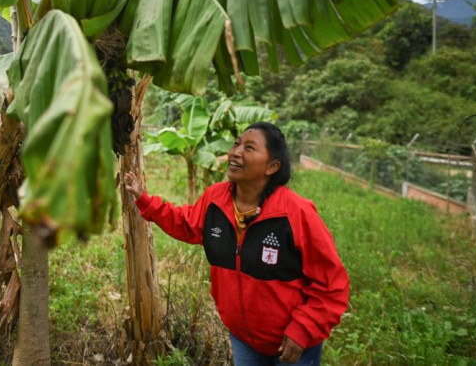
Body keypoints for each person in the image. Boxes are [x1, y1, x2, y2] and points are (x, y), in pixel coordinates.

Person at [124, 122, 349, 365]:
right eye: (236, 144)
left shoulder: (296, 213)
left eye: (249, 148)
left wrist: (304, 329)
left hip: (293, 345)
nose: (236, 152)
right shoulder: (215, 199)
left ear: (272, 166)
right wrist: (145, 201)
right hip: (244, 340)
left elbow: (332, 284)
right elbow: (187, 223)